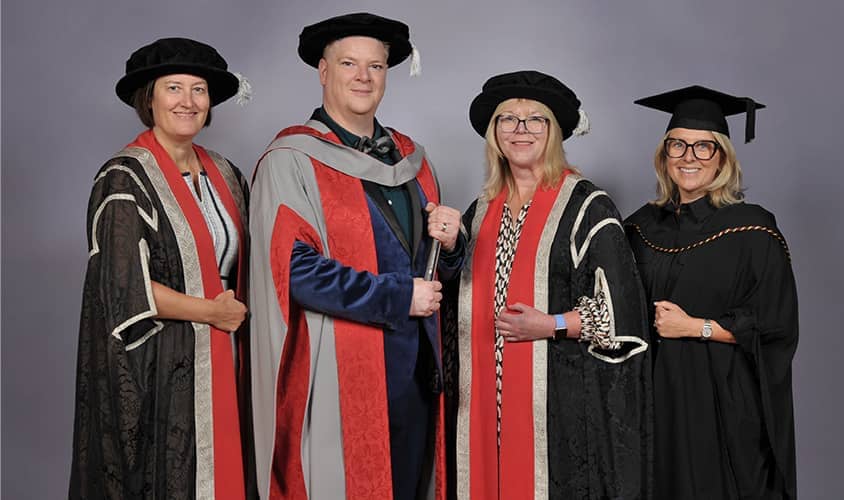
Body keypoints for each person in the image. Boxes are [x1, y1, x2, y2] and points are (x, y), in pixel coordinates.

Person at [249, 12, 464, 500]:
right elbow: (292, 268)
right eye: (349, 63)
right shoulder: (292, 160)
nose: (363, 77)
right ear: (324, 71)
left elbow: (428, 271)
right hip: (339, 372)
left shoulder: (411, 161)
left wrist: (451, 247)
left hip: (415, 372)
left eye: (376, 66)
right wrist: (395, 297)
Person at [445, 70, 651, 500]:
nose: (521, 130)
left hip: (555, 408)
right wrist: (445, 248)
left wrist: (553, 324)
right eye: (508, 119)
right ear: (494, 132)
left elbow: (624, 313)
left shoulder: (586, 206)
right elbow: (451, 302)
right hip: (482, 407)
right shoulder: (479, 212)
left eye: (535, 119)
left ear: (555, 131)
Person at [69, 37, 253, 499]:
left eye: (199, 90)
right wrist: (211, 313)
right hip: (161, 364)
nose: (187, 102)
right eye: (174, 88)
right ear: (148, 98)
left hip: (228, 355)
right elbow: (121, 285)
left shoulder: (227, 174)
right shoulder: (124, 177)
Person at [625, 85, 798, 499]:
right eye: (678, 146)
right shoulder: (640, 227)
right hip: (654, 398)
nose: (688, 157)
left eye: (703, 147)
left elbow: (776, 326)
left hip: (722, 402)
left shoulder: (752, 229)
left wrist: (695, 327)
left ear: (722, 157)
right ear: (664, 155)